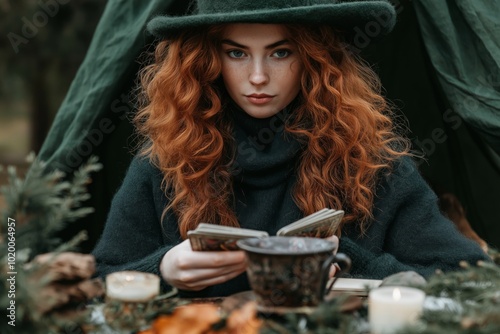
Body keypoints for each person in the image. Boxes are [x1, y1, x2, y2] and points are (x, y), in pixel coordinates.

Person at [92, 0, 490, 298]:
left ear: (315, 58)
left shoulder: (372, 163)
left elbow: (469, 278)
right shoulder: (165, 162)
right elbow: (96, 282)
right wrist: (163, 269)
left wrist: (348, 262)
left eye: (281, 52)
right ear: (207, 59)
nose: (259, 76)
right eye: (237, 53)